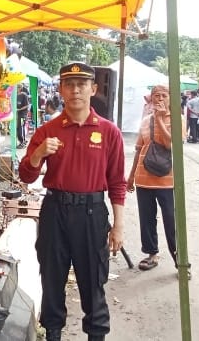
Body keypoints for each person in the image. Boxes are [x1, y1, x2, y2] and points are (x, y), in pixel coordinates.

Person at [18, 62, 126, 341]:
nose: (75, 90)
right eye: (69, 84)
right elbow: (26, 176)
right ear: (61, 90)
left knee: (93, 281)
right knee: (52, 278)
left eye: (81, 84)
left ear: (93, 89)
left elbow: (117, 182)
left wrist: (118, 226)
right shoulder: (47, 130)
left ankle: (96, 334)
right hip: (55, 211)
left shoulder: (108, 131)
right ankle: (52, 333)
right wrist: (38, 154)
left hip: (92, 213)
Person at [126, 84, 188, 277]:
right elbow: (139, 149)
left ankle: (181, 262)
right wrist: (131, 176)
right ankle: (151, 254)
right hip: (143, 179)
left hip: (167, 180)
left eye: (163, 95)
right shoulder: (145, 121)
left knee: (171, 221)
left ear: (170, 98)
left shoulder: (178, 119)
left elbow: (172, 145)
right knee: (146, 219)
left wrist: (160, 119)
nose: (160, 99)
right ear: (151, 99)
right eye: (156, 96)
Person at [16, 84, 30, 148]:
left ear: (20, 88)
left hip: (23, 114)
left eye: (17, 87)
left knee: (21, 127)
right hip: (18, 114)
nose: (17, 89)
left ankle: (22, 142)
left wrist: (19, 109)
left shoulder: (24, 95)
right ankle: (21, 141)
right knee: (19, 128)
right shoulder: (16, 95)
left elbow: (27, 105)